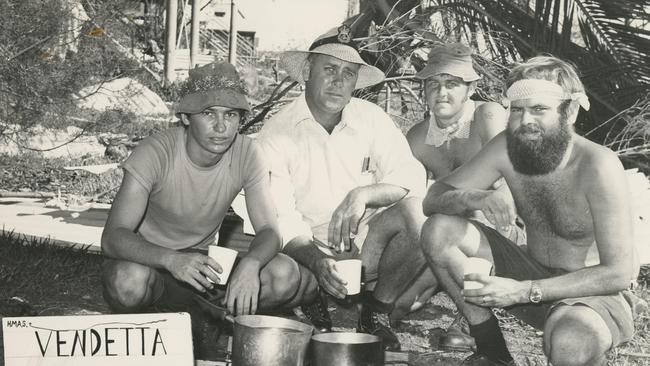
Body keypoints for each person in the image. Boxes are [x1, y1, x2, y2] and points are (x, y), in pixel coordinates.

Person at [419, 55, 639, 365]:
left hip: (592, 294)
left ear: (571, 110)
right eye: (517, 110)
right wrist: (476, 198)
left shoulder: (598, 165)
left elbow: (619, 272)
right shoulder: (508, 147)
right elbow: (433, 199)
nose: (525, 122)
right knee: (440, 229)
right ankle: (492, 350)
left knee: (569, 344)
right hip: (529, 276)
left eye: (539, 110)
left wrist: (523, 291)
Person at [101, 62, 301, 360]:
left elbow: (270, 231)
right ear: (185, 117)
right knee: (127, 283)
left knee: (284, 273)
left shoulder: (247, 152)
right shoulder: (155, 152)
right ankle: (162, 323)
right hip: (152, 263)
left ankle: (208, 320)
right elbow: (113, 238)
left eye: (230, 115)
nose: (221, 127)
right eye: (209, 114)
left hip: (203, 268)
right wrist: (170, 259)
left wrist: (251, 265)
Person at [258, 25, 428, 351]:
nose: (339, 81)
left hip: (366, 248)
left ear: (355, 82)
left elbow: (410, 173)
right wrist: (316, 261)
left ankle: (375, 311)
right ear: (307, 72)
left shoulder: (370, 117)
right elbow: (280, 217)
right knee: (284, 274)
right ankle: (311, 295)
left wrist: (363, 195)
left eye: (349, 73)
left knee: (418, 213)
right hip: (308, 250)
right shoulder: (276, 134)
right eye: (330, 69)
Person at [406, 43, 515, 352]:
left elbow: (513, 178)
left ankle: (470, 318)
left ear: (470, 88)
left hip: (502, 235)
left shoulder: (487, 115)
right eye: (433, 84)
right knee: (403, 306)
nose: (442, 92)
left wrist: (487, 199)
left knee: (469, 209)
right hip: (443, 237)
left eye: (452, 83)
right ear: (424, 89)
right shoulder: (417, 137)